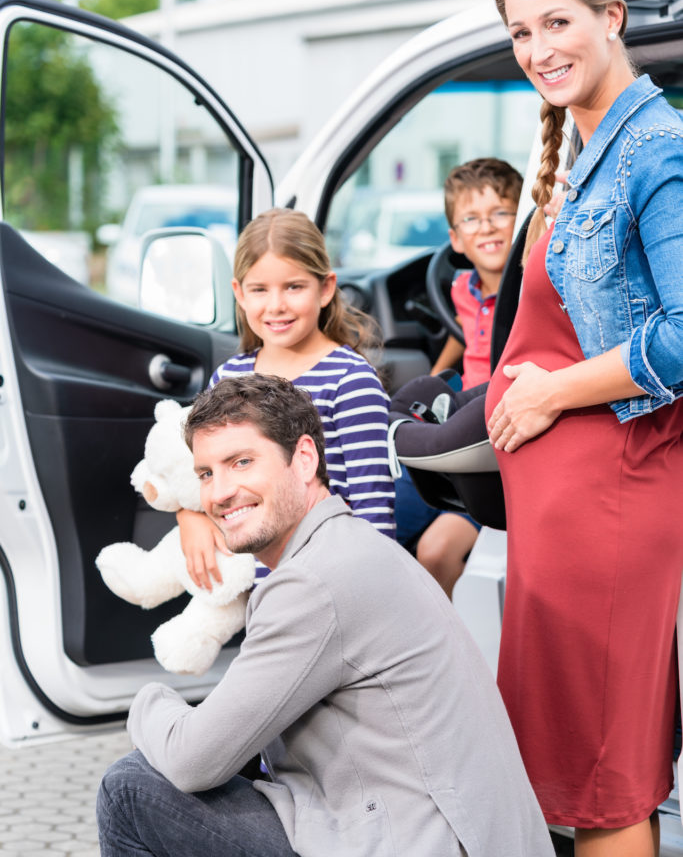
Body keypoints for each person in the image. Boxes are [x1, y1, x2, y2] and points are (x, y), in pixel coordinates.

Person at [96, 374, 555, 857]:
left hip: (428, 841)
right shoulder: (351, 547)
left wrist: (149, 700)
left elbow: (192, 760)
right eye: (207, 474)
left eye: (242, 462)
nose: (221, 493)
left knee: (131, 787)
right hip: (446, 830)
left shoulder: (314, 581)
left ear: (305, 458)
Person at [485, 0, 683, 856]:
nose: (537, 48)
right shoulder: (586, 150)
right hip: (560, 516)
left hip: (610, 505)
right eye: (520, 32)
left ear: (611, 19)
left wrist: (550, 393)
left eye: (556, 22)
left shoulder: (656, 151)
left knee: (604, 782)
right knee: (571, 776)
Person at [176, 208, 395, 588]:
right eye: (260, 289)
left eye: (293, 287)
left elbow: (372, 508)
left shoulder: (350, 379)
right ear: (239, 294)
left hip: (328, 584)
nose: (276, 305)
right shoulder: (227, 377)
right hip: (256, 589)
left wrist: (370, 591)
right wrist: (189, 515)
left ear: (326, 289)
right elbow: (205, 474)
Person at [396, 158, 522, 595]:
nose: (486, 228)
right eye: (472, 219)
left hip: (488, 443)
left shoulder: (532, 286)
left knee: (435, 552)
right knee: (379, 525)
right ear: (456, 239)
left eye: (501, 213)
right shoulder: (461, 289)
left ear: (524, 220)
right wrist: (430, 383)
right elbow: (467, 337)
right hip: (452, 430)